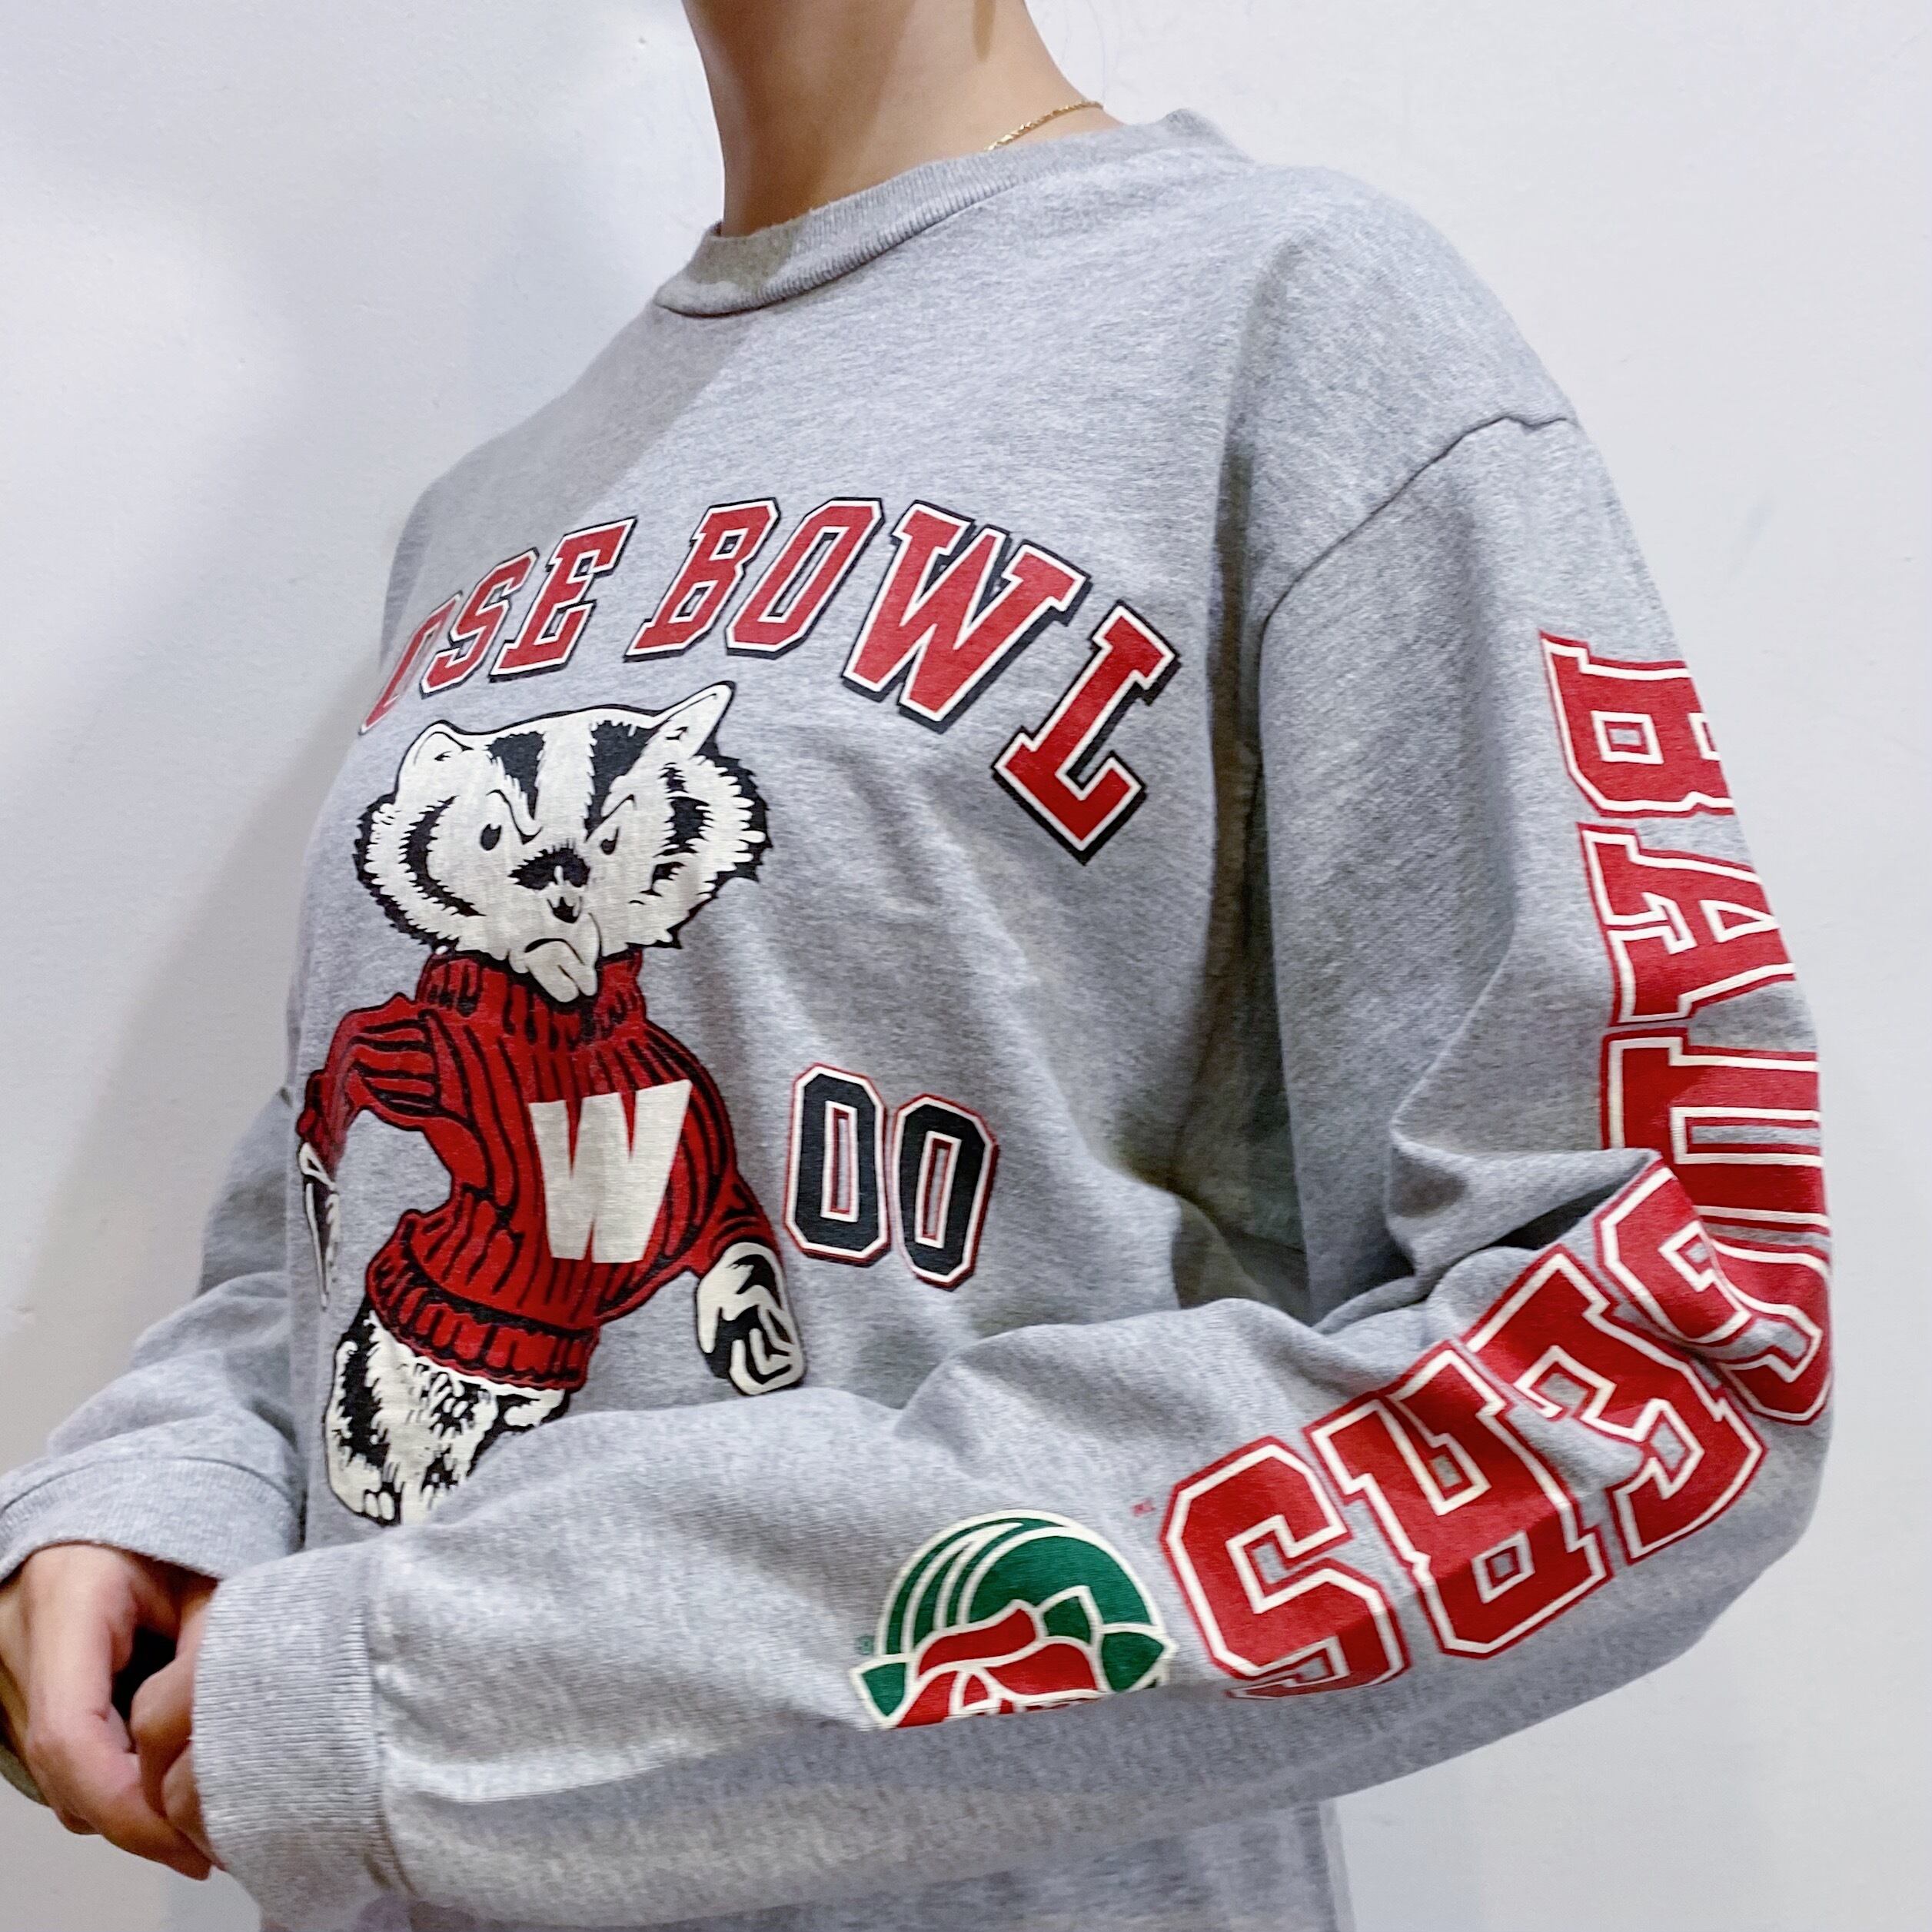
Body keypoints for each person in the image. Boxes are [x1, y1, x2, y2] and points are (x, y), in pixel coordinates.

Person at [0, 3, 1834, 1928]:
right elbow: (338, 1198)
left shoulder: (1284, 324)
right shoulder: (492, 513)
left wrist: (450, 1682)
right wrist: (174, 1478)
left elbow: (1664, 1344)